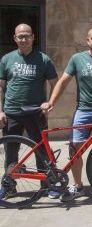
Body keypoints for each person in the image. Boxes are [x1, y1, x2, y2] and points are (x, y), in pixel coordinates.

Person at [42, 26, 92, 201]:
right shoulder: (77, 59)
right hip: (83, 110)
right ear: (87, 41)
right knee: (75, 148)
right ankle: (78, 185)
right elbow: (63, 81)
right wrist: (51, 102)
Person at [0, 23, 58, 198]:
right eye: (20, 36)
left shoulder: (43, 59)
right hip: (11, 113)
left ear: (33, 37)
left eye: (27, 35)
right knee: (11, 152)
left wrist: (49, 102)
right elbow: (0, 86)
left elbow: (55, 83)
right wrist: (0, 111)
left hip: (35, 113)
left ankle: (47, 185)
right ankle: (9, 186)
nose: (24, 39)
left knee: (42, 151)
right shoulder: (6, 59)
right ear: (15, 39)